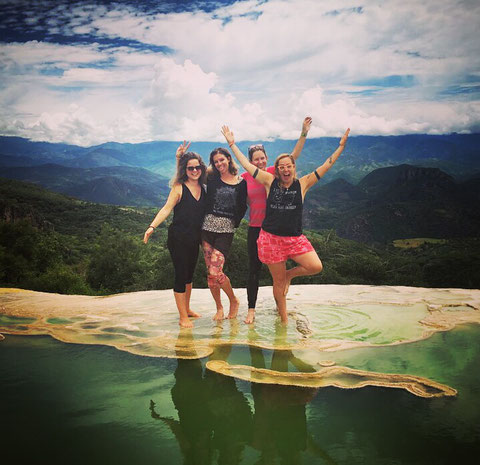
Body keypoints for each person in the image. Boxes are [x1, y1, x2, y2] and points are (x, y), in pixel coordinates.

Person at [221, 125, 350, 323]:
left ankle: (289, 275)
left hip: (294, 238)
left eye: (289, 166)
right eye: (281, 167)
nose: (285, 169)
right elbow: (246, 165)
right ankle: (283, 319)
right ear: (278, 170)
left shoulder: (304, 183)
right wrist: (232, 144)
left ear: (294, 168)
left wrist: (340, 147)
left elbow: (327, 165)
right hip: (270, 238)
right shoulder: (269, 181)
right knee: (277, 283)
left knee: (315, 266)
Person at [241, 117, 312, 324]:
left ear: (267, 159)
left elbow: (294, 156)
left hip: (279, 232)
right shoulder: (246, 177)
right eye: (256, 159)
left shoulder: (274, 173)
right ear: (251, 161)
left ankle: (280, 308)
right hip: (256, 229)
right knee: (254, 270)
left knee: (280, 276)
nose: (260, 162)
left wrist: (303, 132)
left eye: (263, 158)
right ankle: (251, 309)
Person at [144, 142, 207, 328]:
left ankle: (187, 309)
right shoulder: (179, 188)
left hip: (194, 239)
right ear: (185, 170)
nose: (194, 170)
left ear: (201, 168)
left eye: (197, 167)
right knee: (181, 275)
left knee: (189, 276)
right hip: (178, 239)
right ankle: (182, 317)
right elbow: (166, 209)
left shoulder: (204, 188)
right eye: (190, 168)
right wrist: (151, 227)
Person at [199, 147, 247, 320]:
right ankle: (219, 308)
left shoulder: (241, 183)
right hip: (206, 230)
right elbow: (192, 173)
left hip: (225, 232)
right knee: (210, 274)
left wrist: (233, 223)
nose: (219, 164)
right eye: (216, 161)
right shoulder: (211, 178)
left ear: (228, 159)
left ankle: (233, 300)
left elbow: (242, 207)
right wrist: (179, 158)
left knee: (215, 271)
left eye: (222, 160)